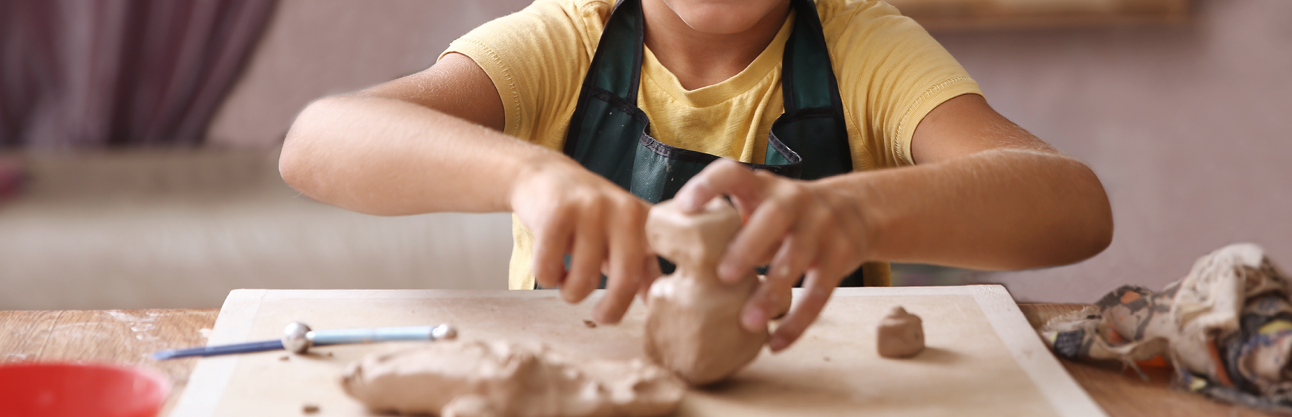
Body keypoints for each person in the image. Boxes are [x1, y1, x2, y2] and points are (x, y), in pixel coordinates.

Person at [279, 0, 1113, 352]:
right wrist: (528, 174)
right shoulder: (569, 38)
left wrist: (857, 211)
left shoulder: (863, 47)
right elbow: (319, 139)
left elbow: (1074, 204)